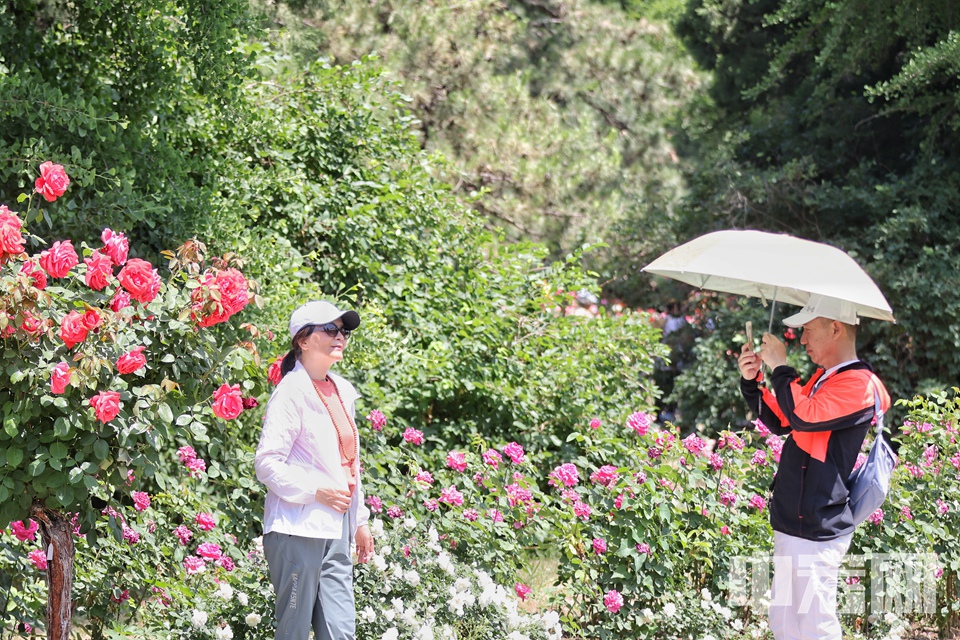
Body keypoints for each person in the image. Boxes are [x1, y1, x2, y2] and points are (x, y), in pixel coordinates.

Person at [737, 294, 890, 640]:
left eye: (807, 330)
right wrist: (753, 383)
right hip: (794, 520)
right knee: (785, 624)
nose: (802, 339)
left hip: (819, 524)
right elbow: (783, 420)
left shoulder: (862, 384)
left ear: (835, 328)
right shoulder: (826, 377)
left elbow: (805, 418)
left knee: (814, 626)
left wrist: (780, 367)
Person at [255, 300, 374, 640]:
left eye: (344, 331)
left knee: (340, 631)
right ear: (303, 340)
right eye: (331, 329)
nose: (340, 337)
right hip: (297, 528)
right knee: (293, 632)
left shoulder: (341, 391)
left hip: (336, 528)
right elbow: (267, 463)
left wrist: (359, 521)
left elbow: (349, 464)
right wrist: (315, 490)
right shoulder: (291, 392)